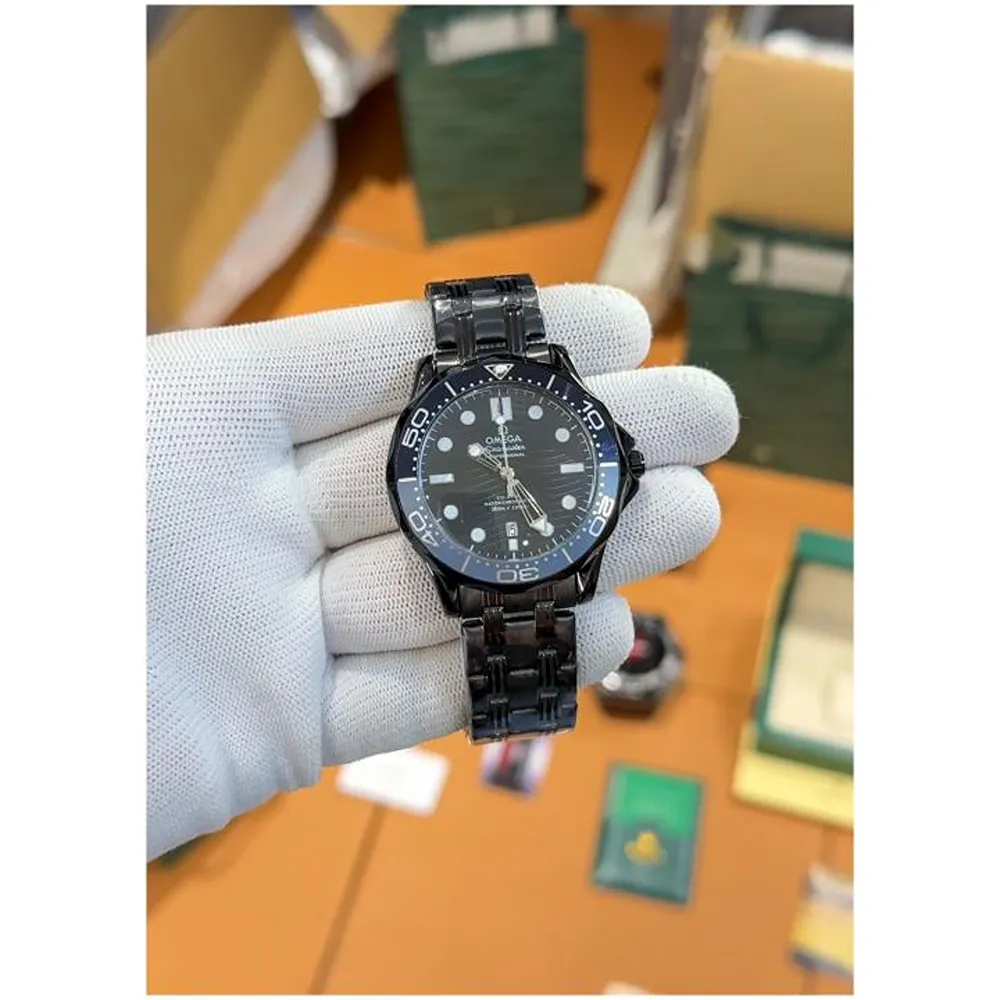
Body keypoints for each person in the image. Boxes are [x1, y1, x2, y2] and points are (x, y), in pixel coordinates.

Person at [146, 283, 738, 861]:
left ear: (622, 469)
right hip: (490, 557)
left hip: (530, 554)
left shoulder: (586, 460)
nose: (509, 477)